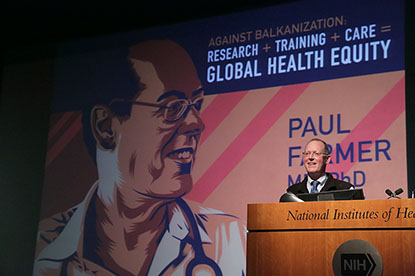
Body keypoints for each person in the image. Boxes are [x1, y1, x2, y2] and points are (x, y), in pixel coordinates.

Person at [34, 40, 246, 276]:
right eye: (173, 108)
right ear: (105, 126)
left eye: (196, 104)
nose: (197, 123)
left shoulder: (232, 240)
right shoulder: (42, 251)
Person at [287, 138, 353, 194]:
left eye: (316, 154)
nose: (310, 157)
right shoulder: (292, 193)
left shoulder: (345, 190)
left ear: (327, 159)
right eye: (307, 153)